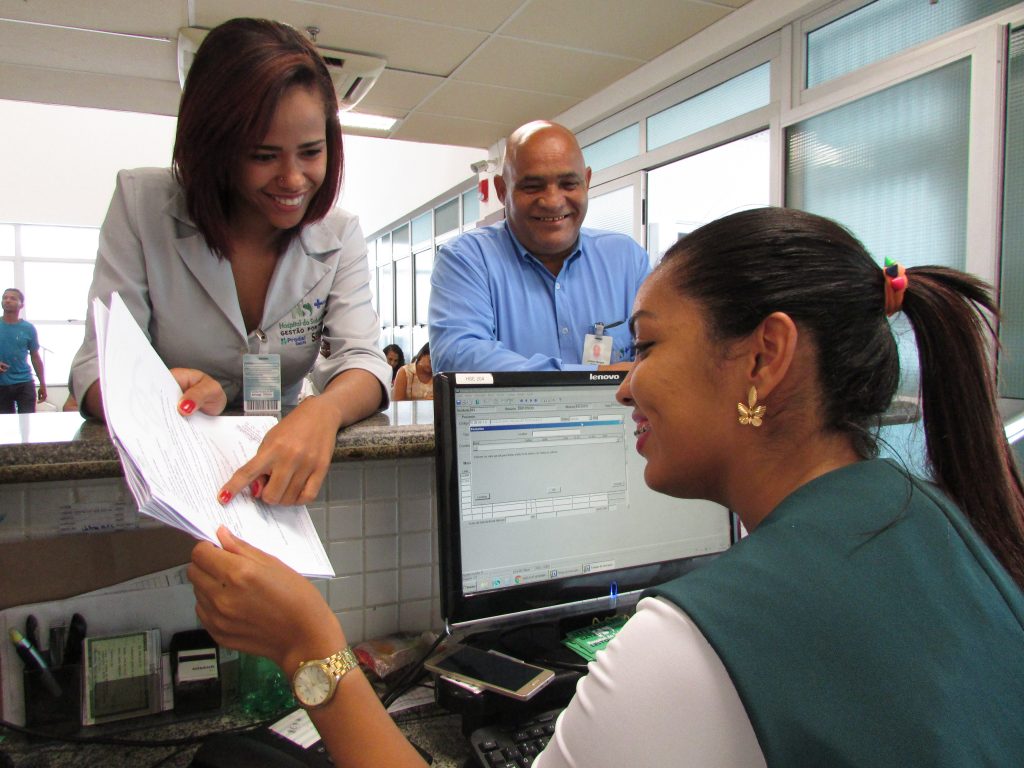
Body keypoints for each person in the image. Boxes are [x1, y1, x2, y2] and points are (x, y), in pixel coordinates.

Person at [189, 207, 1024, 766]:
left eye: (648, 346)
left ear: (765, 357)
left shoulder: (693, 647)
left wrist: (312, 651)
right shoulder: (940, 522)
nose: (622, 385)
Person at [69, 18, 390, 505]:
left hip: (276, 472)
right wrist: (162, 393)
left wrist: (323, 412)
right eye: (263, 156)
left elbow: (365, 361)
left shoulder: (339, 233)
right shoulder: (140, 204)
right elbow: (97, 368)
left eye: (311, 152)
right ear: (214, 148)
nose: (293, 179)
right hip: (171, 465)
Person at [428, 120, 649, 373]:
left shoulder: (627, 260)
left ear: (586, 182)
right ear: (502, 190)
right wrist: (595, 377)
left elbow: (662, 353)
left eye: (568, 184)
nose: (553, 202)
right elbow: (459, 358)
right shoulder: (466, 259)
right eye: (533, 187)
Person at [0, 288, 46, 413]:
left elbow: (35, 357)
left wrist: (42, 384)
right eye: (5, 297)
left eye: (12, 298)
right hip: (2, 384)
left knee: (27, 424)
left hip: (24, 383)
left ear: (21, 305)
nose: (7, 300)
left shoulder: (28, 328)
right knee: (5, 427)